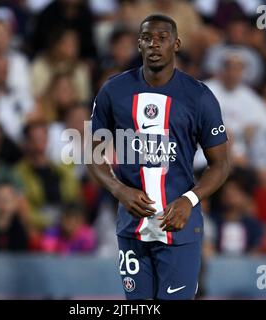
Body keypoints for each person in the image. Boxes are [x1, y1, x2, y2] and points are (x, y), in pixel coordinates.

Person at [87, 15, 230, 300]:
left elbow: (221, 164)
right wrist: (119, 190)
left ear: (176, 44)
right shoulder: (113, 91)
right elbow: (94, 154)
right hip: (132, 228)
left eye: (162, 38)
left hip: (179, 228)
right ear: (138, 44)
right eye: (147, 38)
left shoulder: (199, 97)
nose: (154, 44)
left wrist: (189, 200)